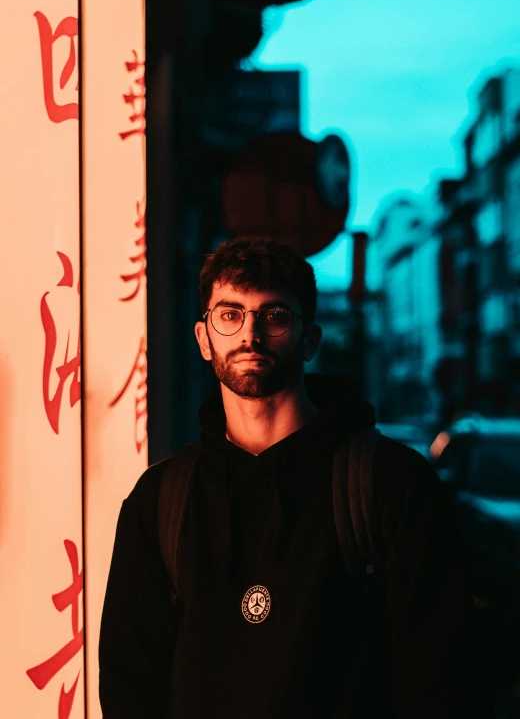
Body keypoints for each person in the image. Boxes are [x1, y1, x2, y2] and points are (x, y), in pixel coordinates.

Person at [99, 236, 490, 719]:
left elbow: (439, 681)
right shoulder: (160, 500)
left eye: (274, 315)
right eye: (230, 314)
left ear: (309, 340)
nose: (250, 335)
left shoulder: (391, 484)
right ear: (204, 339)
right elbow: (130, 689)